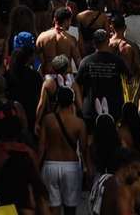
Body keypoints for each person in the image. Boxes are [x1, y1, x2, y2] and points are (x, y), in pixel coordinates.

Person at [37, 85, 88, 215]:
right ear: (72, 102)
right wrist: (88, 167)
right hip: (71, 167)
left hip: (50, 165)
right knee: (70, 209)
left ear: (57, 101)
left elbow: (41, 145)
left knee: (53, 208)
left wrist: (37, 166)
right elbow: (83, 149)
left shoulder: (48, 120)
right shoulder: (79, 123)